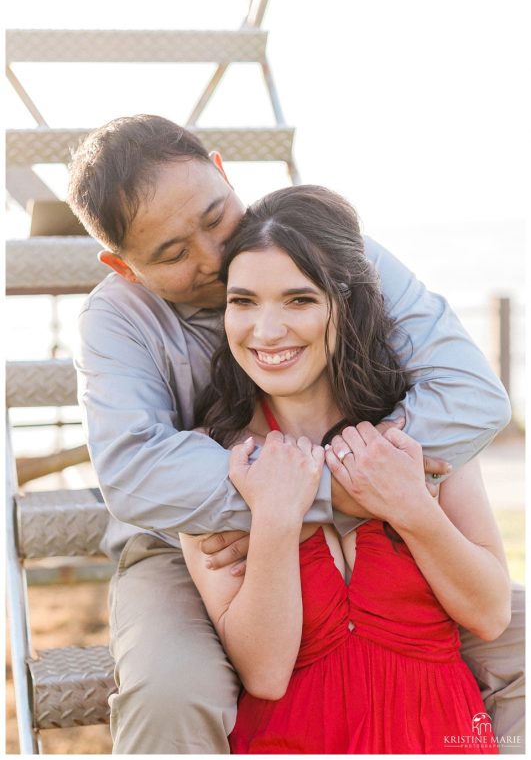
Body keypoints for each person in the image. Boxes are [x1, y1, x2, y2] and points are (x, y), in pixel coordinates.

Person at [67, 115, 523, 754]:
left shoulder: (324, 248)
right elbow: (136, 478)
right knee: (171, 688)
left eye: (214, 216)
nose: (213, 258)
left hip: (365, 488)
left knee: (517, 638)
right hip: (194, 534)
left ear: (224, 174)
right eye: (172, 253)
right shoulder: (116, 321)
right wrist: (309, 497)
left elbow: (472, 398)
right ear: (124, 266)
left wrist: (360, 482)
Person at [180, 184, 511, 752]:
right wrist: (278, 518)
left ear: (345, 303)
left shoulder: (420, 434)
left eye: (299, 300)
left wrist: (409, 505)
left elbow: (489, 614)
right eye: (244, 301)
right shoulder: (209, 459)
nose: (266, 331)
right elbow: (265, 673)